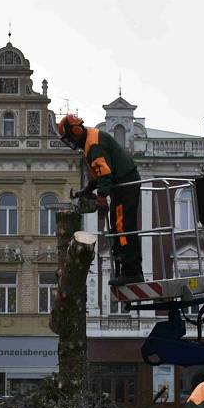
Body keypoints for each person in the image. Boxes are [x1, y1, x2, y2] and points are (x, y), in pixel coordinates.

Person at [58, 114, 143, 285]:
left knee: (122, 228)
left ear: (75, 131)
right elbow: (102, 172)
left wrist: (102, 196)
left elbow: (105, 174)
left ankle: (132, 271)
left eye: (70, 139)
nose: (71, 143)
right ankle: (125, 270)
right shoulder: (92, 139)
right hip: (122, 185)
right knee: (118, 228)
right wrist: (89, 188)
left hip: (124, 185)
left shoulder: (93, 144)